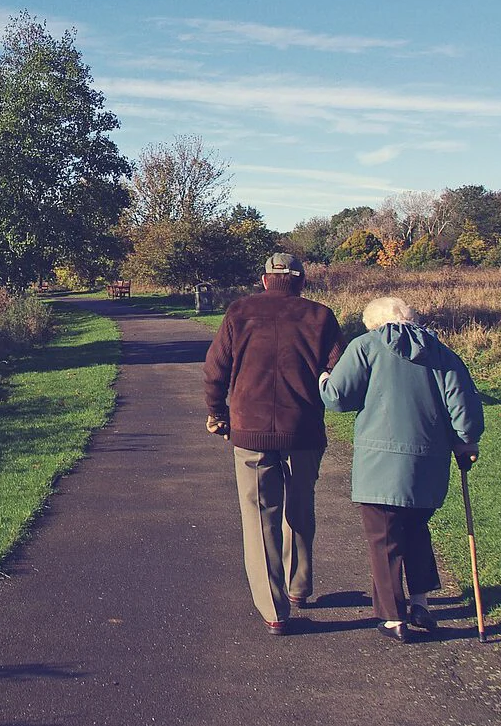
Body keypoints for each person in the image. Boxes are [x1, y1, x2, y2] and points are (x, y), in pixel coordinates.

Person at [319, 296, 483, 643]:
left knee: (384, 538)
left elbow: (337, 398)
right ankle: (421, 602)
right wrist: (467, 442)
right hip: (429, 463)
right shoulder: (442, 353)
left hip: (379, 464)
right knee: (416, 528)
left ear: (374, 324)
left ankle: (393, 617)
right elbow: (464, 409)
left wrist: (323, 379)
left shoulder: (366, 346)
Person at [203, 253, 346, 635]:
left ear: (265, 279)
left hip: (249, 429)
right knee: (300, 507)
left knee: (259, 517)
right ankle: (298, 586)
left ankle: (274, 610)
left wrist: (217, 412)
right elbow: (338, 372)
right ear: (301, 281)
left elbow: (215, 368)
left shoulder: (239, 312)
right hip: (303, 429)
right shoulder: (321, 316)